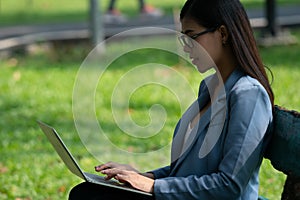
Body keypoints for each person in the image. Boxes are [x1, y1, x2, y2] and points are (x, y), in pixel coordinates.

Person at [69, 0, 274, 199]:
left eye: (192, 37)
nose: (186, 48)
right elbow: (187, 169)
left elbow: (230, 185)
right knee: (88, 191)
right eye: (183, 39)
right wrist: (143, 177)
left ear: (222, 33)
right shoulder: (210, 87)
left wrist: (153, 186)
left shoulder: (248, 95)